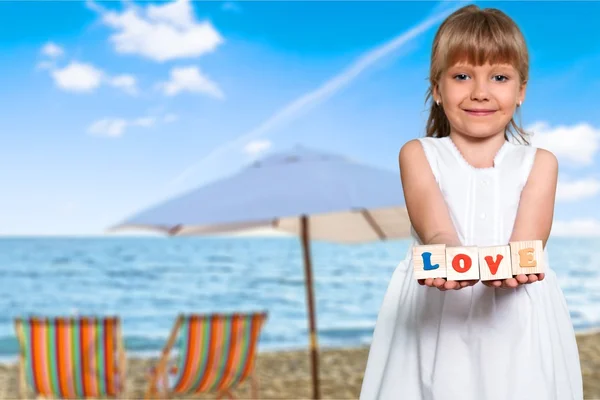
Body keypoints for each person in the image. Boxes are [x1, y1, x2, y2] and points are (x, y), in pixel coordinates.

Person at [359, 5, 583, 400]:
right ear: (437, 88)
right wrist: (447, 251)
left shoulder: (540, 162)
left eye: (499, 77)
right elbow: (436, 226)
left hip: (518, 316)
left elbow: (528, 242)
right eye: (462, 76)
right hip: (436, 310)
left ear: (521, 91)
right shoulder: (418, 153)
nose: (480, 91)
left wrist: (514, 263)